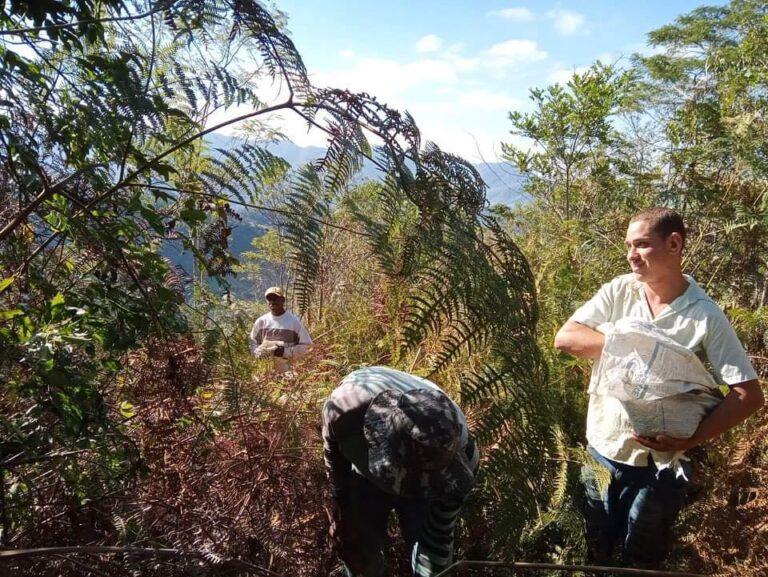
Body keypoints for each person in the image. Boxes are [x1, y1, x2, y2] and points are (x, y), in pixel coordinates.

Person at [554, 207, 763, 568]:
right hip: (603, 448)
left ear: (674, 244)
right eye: (628, 246)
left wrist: (690, 440)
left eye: (642, 245)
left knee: (642, 560)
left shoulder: (704, 315)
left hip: (661, 465)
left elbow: (749, 395)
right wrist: (634, 345)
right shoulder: (620, 291)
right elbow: (566, 338)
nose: (631, 255)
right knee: (594, 552)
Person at [321, 366, 480, 577]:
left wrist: (432, 571)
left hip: (431, 488)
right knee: (360, 551)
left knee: (430, 565)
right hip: (365, 475)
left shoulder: (462, 466)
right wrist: (341, 508)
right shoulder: (345, 409)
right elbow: (332, 452)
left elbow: (439, 536)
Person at [249, 286, 312, 373]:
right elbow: (252, 343)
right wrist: (257, 352)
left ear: (283, 300)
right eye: (269, 299)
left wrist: (283, 351)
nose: (272, 301)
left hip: (288, 374)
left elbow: (308, 347)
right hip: (265, 374)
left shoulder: (294, 322)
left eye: (275, 298)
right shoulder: (261, 322)